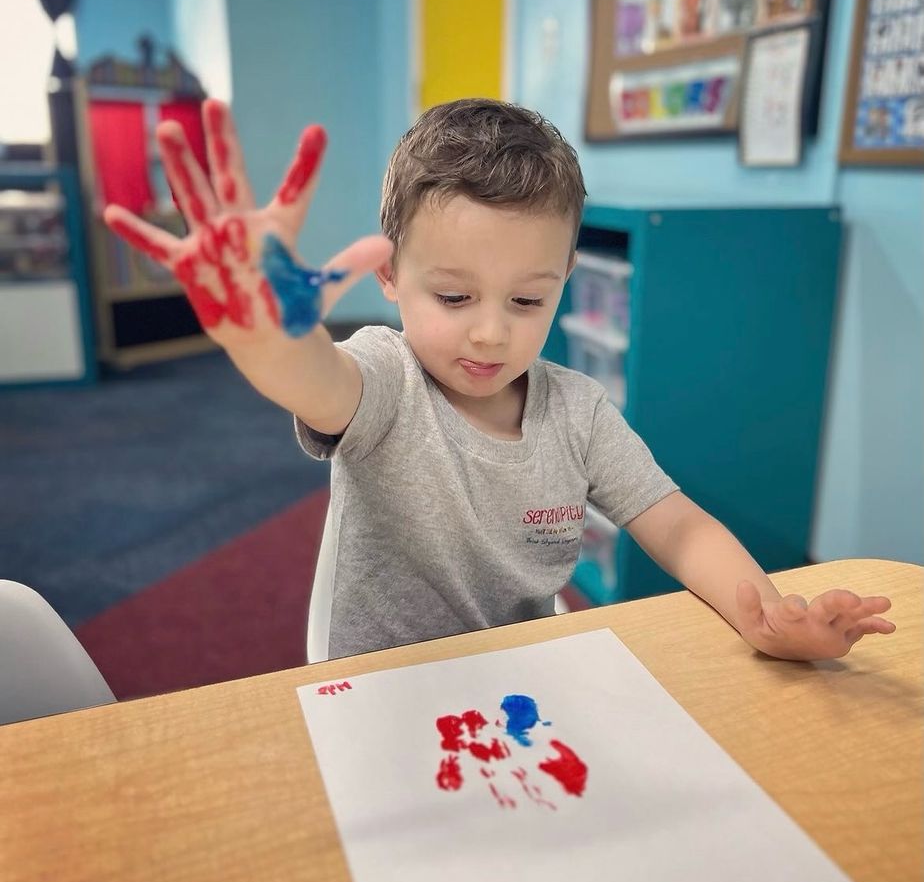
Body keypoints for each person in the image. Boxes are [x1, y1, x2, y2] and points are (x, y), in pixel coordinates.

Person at [105, 98, 895, 662]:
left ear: (564, 281)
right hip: (379, 684)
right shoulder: (388, 377)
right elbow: (312, 379)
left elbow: (678, 526)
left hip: (517, 674)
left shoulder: (577, 411)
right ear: (390, 276)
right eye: (453, 297)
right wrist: (261, 336)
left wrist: (767, 614)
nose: (491, 331)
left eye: (528, 299)